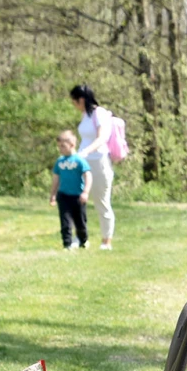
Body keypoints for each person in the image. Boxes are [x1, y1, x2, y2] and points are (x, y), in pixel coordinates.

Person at [70, 84, 116, 250]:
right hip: (83, 162)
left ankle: (106, 241)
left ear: (81, 100)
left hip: (99, 161)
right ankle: (80, 237)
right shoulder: (85, 115)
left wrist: (87, 151)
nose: (74, 105)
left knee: (101, 202)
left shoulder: (100, 114)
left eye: (74, 101)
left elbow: (102, 137)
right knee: (78, 200)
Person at [49, 130, 92, 250]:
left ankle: (83, 240)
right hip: (63, 195)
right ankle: (67, 244)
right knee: (65, 221)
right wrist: (53, 194)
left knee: (80, 221)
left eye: (63, 146)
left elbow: (88, 176)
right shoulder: (60, 161)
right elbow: (56, 178)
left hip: (78, 196)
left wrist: (86, 192)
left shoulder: (79, 160)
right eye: (59, 146)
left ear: (72, 145)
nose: (60, 149)